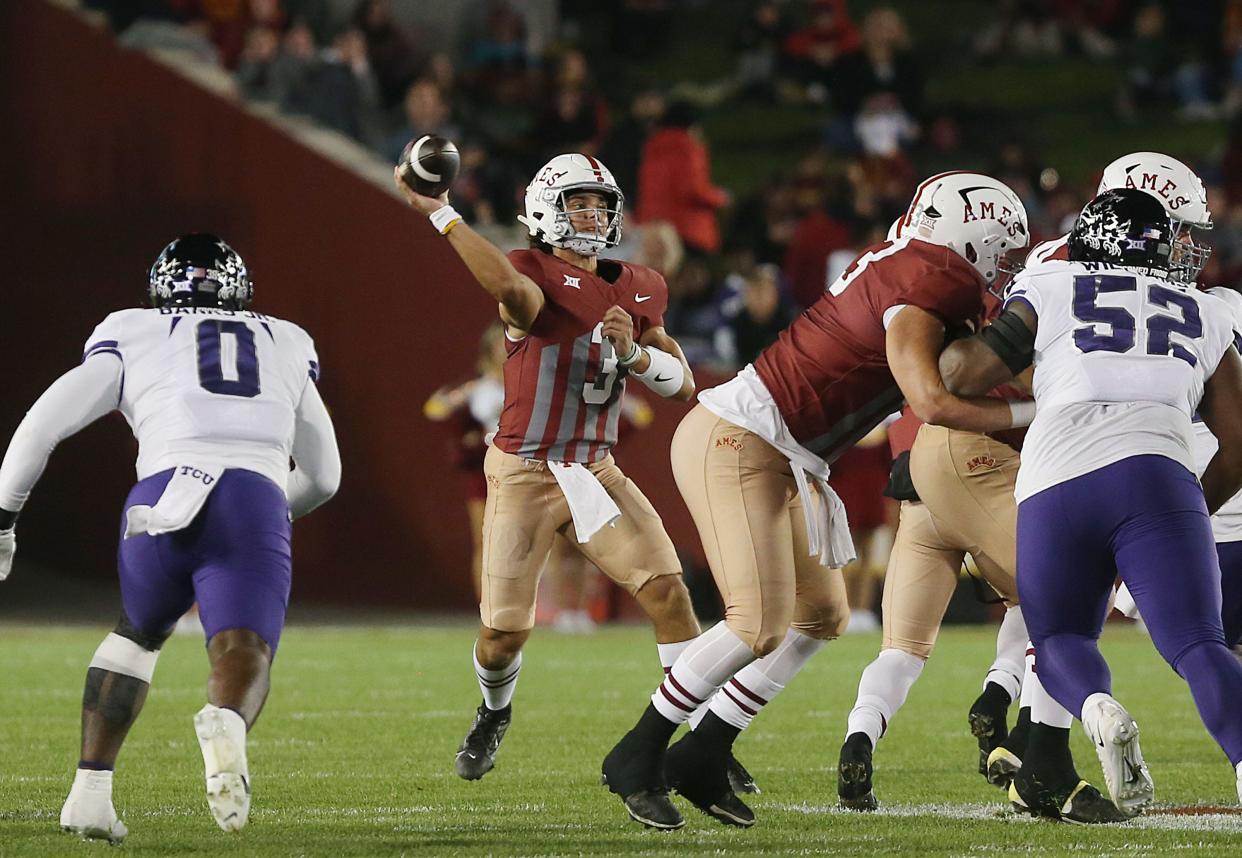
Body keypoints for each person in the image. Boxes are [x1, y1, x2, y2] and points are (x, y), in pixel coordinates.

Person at [600, 171, 1036, 830]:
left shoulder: (909, 264)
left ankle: (706, 750)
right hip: (741, 439)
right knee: (756, 623)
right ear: (969, 238)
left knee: (822, 614)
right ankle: (638, 752)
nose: (1002, 268)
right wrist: (1045, 407)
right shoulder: (934, 277)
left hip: (777, 451)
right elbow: (932, 401)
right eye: (1001, 250)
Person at [0, 234, 340, 842]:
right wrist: (262, 518)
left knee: (135, 635)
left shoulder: (132, 330)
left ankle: (90, 794)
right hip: (251, 492)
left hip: (158, 497)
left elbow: (40, 428)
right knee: (242, 647)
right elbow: (324, 475)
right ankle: (225, 721)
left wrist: (3, 521)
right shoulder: (285, 339)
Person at [392, 154, 703, 817]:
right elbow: (507, 288)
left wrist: (635, 354)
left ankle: (699, 744)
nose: (593, 216)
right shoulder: (530, 273)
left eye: (601, 204)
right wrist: (439, 211)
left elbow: (682, 384)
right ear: (544, 211)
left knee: (671, 595)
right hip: (527, 470)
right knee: (503, 634)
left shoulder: (640, 285)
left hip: (596, 465)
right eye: (578, 204)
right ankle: (493, 712)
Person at [939, 188, 1242, 816]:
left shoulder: (1050, 286)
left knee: (1060, 639)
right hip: (1159, 471)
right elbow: (1240, 438)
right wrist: (1191, 504)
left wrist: (944, 334)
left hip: (1058, 477)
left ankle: (1096, 708)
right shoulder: (1204, 309)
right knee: (1199, 645)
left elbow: (964, 373)